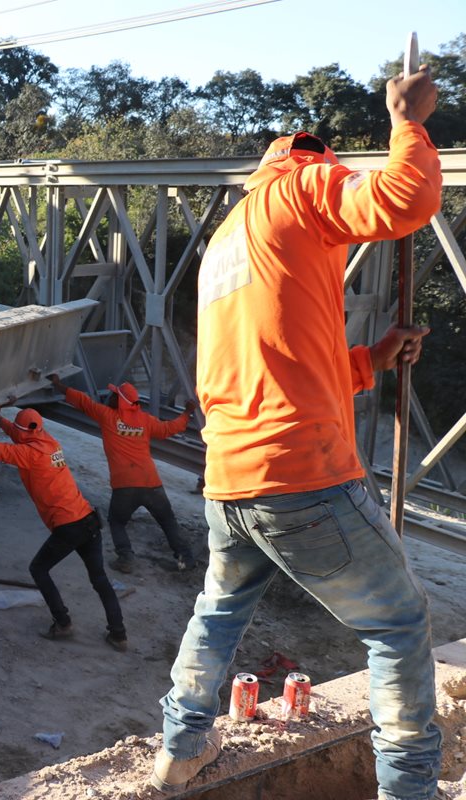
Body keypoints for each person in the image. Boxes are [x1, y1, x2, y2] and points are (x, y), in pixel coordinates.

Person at [151, 66, 441, 799]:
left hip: (231, 480)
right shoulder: (305, 184)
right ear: (314, 159)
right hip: (304, 479)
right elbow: (406, 199)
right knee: (400, 623)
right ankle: (408, 789)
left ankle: (180, 748)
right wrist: (407, 120)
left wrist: (369, 361)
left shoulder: (227, 242)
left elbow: (275, 371)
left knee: (218, 611)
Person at [0, 403, 127, 650]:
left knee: (39, 569)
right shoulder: (48, 441)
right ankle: (119, 634)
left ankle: (63, 623)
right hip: (88, 519)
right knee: (99, 580)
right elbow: (18, 432)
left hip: (68, 526)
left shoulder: (29, 455)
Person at [50, 376, 197, 572]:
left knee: (117, 521)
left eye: (114, 395)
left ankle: (126, 558)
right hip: (151, 482)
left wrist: (59, 385)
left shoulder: (107, 417)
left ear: (120, 401)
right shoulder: (145, 421)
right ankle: (186, 560)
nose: (109, 397)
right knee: (167, 521)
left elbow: (83, 402)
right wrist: (187, 413)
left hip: (125, 485)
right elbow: (169, 429)